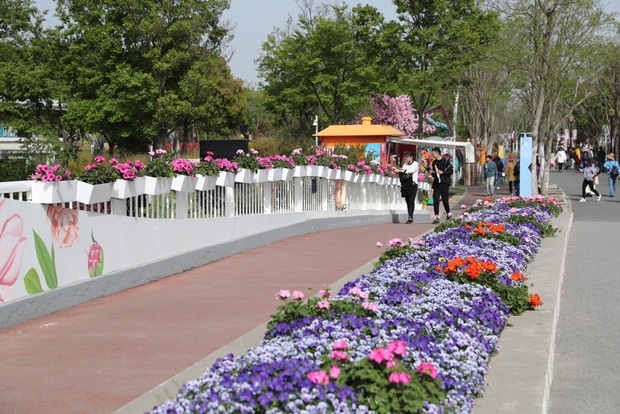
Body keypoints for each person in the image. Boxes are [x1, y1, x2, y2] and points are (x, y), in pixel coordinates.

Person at [430, 147, 453, 224]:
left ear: (437, 153)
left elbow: (450, 171)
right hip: (436, 184)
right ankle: (436, 216)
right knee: (435, 200)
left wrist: (442, 172)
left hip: (444, 183)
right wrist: (432, 172)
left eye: (434, 153)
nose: (433, 155)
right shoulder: (434, 162)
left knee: (445, 200)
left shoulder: (446, 161)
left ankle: (448, 213)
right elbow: (434, 172)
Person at [394, 152, 418, 223]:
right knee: (407, 201)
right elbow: (403, 170)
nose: (406, 158)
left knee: (411, 200)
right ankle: (409, 215)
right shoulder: (405, 164)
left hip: (413, 184)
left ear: (411, 157)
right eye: (405, 157)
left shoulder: (415, 164)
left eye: (407, 157)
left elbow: (409, 171)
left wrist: (398, 170)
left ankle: (411, 217)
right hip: (405, 184)